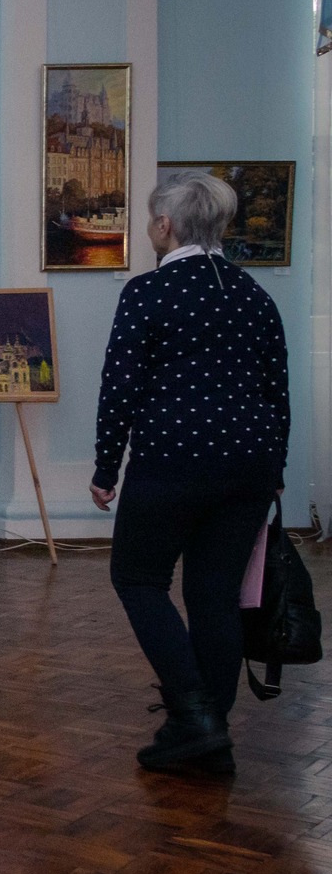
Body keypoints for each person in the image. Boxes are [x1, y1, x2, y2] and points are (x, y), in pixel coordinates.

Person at [92, 172, 289, 775]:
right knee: (215, 595)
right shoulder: (255, 295)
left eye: (154, 218)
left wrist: (106, 467)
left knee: (138, 579)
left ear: (166, 225)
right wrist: (274, 470)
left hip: (173, 463)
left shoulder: (148, 293)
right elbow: (276, 392)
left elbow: (120, 387)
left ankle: (194, 715)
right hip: (249, 469)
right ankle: (210, 731)